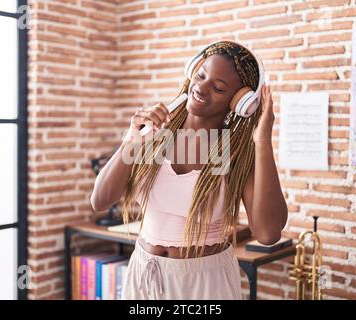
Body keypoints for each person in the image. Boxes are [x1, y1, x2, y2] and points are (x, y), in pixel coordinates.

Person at [90, 40, 288, 300]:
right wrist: (130, 140)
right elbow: (100, 200)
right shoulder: (154, 134)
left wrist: (262, 141)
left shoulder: (234, 153)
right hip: (144, 275)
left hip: (204, 285)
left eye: (218, 88)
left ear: (239, 102)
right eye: (201, 75)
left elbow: (268, 234)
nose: (201, 88)